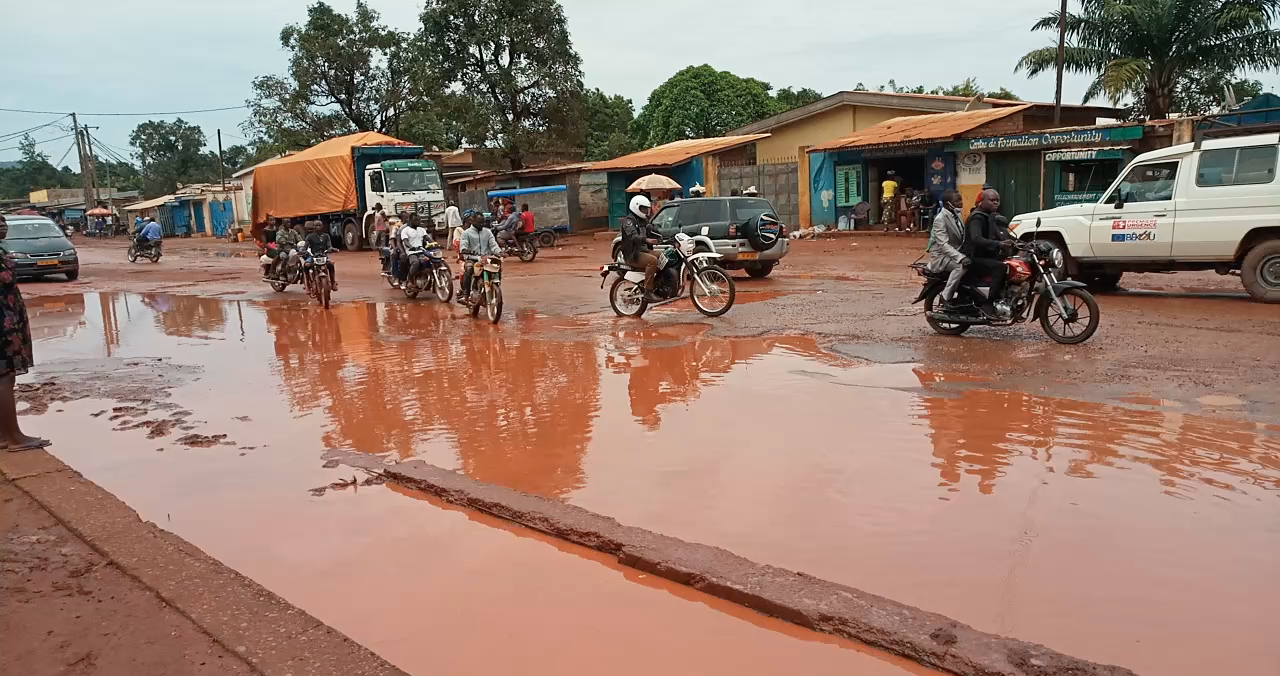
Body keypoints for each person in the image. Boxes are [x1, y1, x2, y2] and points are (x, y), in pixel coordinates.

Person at [0, 216, 49, 451]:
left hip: (8, 319)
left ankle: (3, 436)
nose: (2, 225)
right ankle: (15, 438)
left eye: (2, 220)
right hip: (3, 325)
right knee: (5, 378)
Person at [962, 188, 1015, 318]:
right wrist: (998, 244)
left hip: (984, 254)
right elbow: (976, 239)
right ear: (981, 201)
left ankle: (1003, 297)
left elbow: (997, 235)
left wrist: (1012, 241)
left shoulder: (990, 217)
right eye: (992, 200)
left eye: (997, 200)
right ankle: (988, 304)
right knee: (1000, 267)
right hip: (973, 257)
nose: (995, 203)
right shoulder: (977, 217)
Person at [925, 189, 968, 309]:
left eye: (960, 199)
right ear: (947, 203)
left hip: (953, 253)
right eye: (957, 200)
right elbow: (943, 245)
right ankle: (946, 297)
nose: (961, 203)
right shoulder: (940, 219)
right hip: (941, 257)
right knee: (960, 267)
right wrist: (960, 257)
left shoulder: (956, 215)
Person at [619, 195, 660, 301]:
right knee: (652, 261)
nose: (646, 211)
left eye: (647, 209)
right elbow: (633, 236)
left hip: (643, 251)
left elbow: (653, 231)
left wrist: (667, 237)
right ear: (636, 207)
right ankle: (648, 291)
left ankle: (660, 284)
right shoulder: (628, 221)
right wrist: (645, 240)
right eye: (643, 208)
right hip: (633, 254)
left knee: (664, 256)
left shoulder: (644, 221)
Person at [458, 211, 500, 304]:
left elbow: (493, 245)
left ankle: (496, 286)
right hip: (472, 258)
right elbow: (463, 245)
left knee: (497, 265)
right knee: (468, 268)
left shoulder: (487, 232)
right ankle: (466, 295)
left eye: (483, 222)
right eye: (479, 222)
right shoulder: (466, 233)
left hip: (486, 258)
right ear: (473, 221)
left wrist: (499, 252)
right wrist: (465, 249)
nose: (482, 225)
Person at [304, 220, 338, 290]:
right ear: (313, 227)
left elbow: (329, 245)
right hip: (313, 256)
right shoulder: (310, 236)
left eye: (320, 225)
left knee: (331, 265)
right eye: (316, 225)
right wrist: (303, 250)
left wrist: (331, 249)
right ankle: (307, 285)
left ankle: (333, 282)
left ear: (322, 226)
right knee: (306, 265)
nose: (318, 227)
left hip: (324, 256)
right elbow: (305, 246)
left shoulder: (326, 236)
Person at [400, 212, 430, 282]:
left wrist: (435, 243)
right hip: (411, 253)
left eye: (419, 220)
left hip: (421, 251)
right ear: (410, 221)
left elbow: (427, 238)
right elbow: (405, 241)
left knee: (430, 261)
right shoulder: (405, 230)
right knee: (415, 263)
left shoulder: (421, 230)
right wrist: (411, 247)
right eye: (415, 220)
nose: (418, 222)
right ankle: (410, 279)